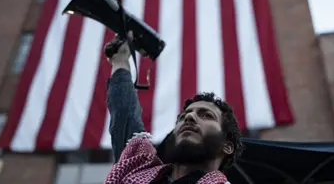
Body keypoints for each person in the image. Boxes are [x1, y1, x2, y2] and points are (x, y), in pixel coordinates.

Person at [103, 33, 243, 183]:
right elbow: (124, 115)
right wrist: (120, 61)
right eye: (183, 117)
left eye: (206, 115)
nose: (189, 117)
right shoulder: (137, 170)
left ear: (227, 146)